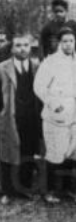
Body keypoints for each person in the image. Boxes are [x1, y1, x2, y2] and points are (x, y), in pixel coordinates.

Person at [33, 27, 76, 203]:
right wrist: (53, 104)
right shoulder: (50, 62)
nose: (69, 44)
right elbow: (39, 86)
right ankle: (49, 191)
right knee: (55, 153)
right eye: (65, 41)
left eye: (71, 41)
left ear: (75, 42)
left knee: (72, 152)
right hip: (56, 115)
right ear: (60, 43)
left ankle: (68, 188)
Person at [0, 33, 42, 200]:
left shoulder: (37, 66)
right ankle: (7, 191)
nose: (22, 49)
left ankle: (24, 187)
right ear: (11, 48)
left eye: (25, 45)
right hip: (10, 116)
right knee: (7, 152)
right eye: (18, 45)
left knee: (28, 150)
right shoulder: (3, 68)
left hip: (32, 117)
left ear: (31, 47)